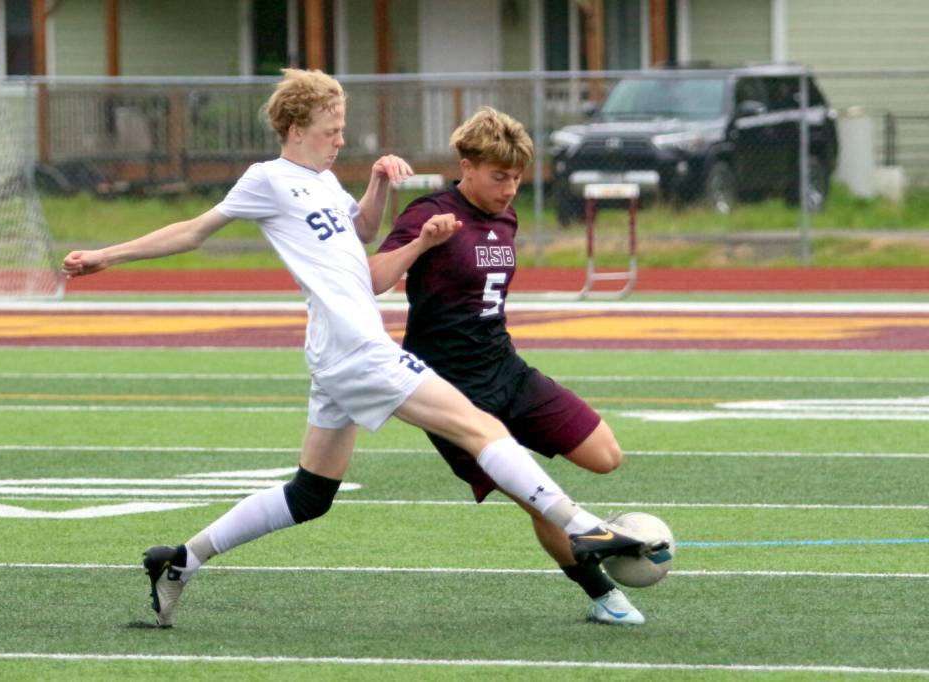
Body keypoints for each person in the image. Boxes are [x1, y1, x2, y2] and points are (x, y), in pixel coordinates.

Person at [61, 70, 663, 629]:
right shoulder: (267, 178)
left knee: (309, 495)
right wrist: (106, 255)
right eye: (332, 130)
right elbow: (193, 230)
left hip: (339, 346)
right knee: (482, 429)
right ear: (297, 129)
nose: (340, 139)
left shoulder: (323, 179)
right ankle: (584, 529)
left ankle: (181, 560)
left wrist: (375, 184)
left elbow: (361, 236)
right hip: (355, 348)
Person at [369, 107, 646, 625]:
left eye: (517, 178)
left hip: (506, 367)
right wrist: (423, 241)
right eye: (499, 176)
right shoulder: (427, 211)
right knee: (538, 500)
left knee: (606, 455)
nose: (510, 188)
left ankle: (582, 531)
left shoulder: (506, 214)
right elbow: (372, 280)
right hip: (451, 393)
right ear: (466, 165)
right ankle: (601, 593)